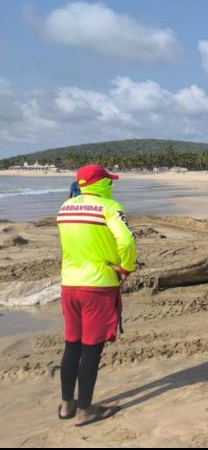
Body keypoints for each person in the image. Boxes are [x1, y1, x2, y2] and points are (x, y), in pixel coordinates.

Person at [56, 164, 136, 427]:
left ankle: (67, 406)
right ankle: (85, 411)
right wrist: (126, 267)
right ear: (101, 184)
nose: (112, 185)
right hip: (98, 288)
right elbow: (126, 241)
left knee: (72, 346)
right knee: (91, 350)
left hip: (69, 285)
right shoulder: (110, 207)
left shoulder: (65, 208)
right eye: (109, 182)